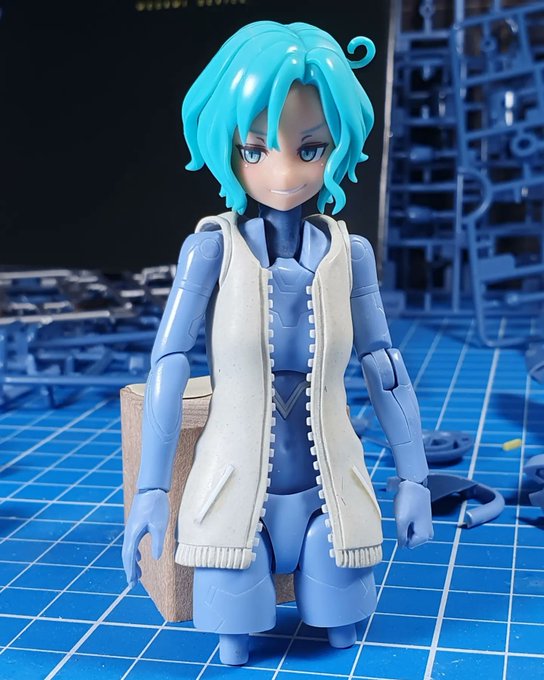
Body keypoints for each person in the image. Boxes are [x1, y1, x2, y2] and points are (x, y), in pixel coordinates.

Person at [122, 21, 433, 666]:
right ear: (229, 150)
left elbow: (383, 365)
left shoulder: (350, 253)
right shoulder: (213, 248)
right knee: (234, 643)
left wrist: (415, 477)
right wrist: (151, 490)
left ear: (337, 147)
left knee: (342, 628)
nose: (285, 172)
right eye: (257, 149)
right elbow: (169, 362)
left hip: (334, 498)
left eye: (310, 148)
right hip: (232, 497)